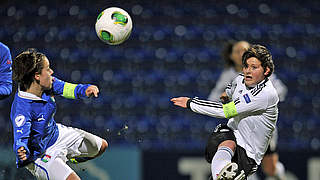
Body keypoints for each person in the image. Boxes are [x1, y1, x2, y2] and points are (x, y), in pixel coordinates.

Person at [171, 44, 279, 180]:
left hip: (248, 154)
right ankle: (222, 177)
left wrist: (191, 103)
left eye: (254, 67)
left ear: (267, 71)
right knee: (224, 136)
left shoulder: (266, 94)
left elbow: (226, 112)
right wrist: (226, 95)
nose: (248, 71)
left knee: (227, 139)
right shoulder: (240, 79)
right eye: (246, 66)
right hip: (232, 135)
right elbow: (231, 88)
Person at [10, 48, 108, 180]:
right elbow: (20, 137)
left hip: (56, 134)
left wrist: (85, 89)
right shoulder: (22, 109)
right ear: (37, 76)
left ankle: (71, 158)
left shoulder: (46, 84)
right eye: (48, 69)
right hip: (40, 155)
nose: (52, 72)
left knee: (102, 146)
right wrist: (21, 149)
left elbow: (66, 88)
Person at [208, 41, 287, 180]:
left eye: (244, 50)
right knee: (243, 167)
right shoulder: (228, 76)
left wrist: (259, 100)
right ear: (231, 56)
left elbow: (281, 90)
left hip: (261, 129)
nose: (241, 54)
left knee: (270, 168)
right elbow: (213, 98)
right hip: (240, 127)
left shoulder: (261, 72)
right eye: (237, 51)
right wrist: (228, 102)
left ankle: (280, 175)